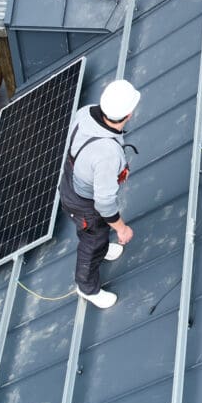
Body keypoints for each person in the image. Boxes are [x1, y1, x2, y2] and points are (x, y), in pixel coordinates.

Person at [59, 79, 141, 309]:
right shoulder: (106, 154)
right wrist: (122, 229)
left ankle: (103, 248)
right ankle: (86, 288)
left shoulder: (86, 113)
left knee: (99, 234)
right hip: (84, 202)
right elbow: (104, 204)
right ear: (128, 114)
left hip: (72, 180)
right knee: (92, 240)